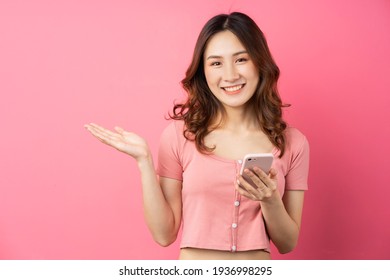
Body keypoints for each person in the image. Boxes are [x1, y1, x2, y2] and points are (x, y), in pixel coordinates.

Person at [84, 12, 309, 260]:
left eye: (241, 59)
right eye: (216, 63)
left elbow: (287, 243)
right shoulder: (179, 137)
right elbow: (164, 234)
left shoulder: (292, 143)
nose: (231, 75)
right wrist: (144, 163)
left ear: (260, 62)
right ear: (203, 72)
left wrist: (269, 200)